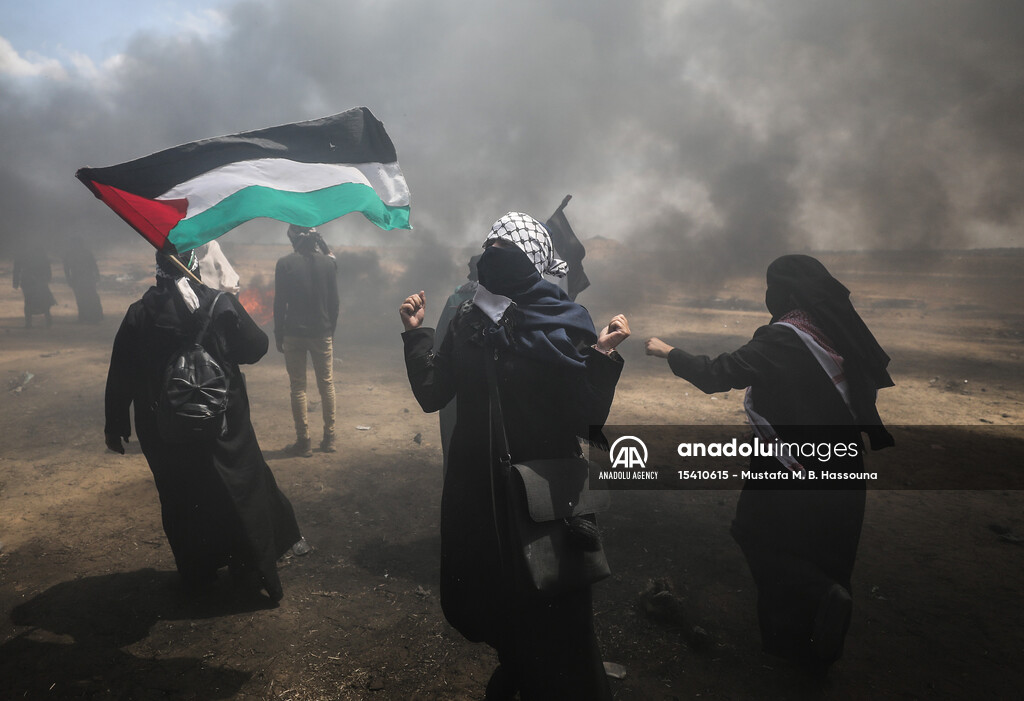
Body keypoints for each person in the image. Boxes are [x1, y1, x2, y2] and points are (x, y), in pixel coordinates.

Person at [400, 212, 630, 700]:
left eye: (502, 250)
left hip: (509, 493)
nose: (494, 256)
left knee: (527, 604)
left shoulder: (505, 320)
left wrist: (601, 355)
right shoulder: (518, 320)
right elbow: (585, 417)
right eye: (494, 246)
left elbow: (585, 419)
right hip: (513, 493)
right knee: (529, 606)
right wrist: (416, 334)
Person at [645, 253, 894, 671]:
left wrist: (668, 351)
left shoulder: (786, 337)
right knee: (830, 552)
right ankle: (818, 654)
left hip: (791, 464)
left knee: (756, 533)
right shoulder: (835, 329)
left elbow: (719, 373)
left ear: (786, 293)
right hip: (845, 461)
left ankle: (815, 598)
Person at [104, 250, 302, 601]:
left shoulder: (139, 313)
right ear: (195, 266)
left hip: (164, 429)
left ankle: (198, 572)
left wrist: (115, 425)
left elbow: (122, 372)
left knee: (182, 497)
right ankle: (251, 566)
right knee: (239, 490)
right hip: (224, 424)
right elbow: (256, 348)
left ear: (158, 270)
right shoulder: (220, 305)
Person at [273, 225, 340, 457]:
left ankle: (304, 441)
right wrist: (330, 330)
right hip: (322, 332)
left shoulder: (284, 264)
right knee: (327, 384)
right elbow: (334, 303)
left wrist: (278, 333)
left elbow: (279, 303)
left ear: (293, 239)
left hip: (293, 333)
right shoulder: (328, 264)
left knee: (298, 387)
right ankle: (329, 438)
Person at [434, 253, 481, 477]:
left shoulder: (456, 299)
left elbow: (439, 342)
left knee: (452, 441)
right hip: (483, 389)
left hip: (454, 386)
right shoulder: (502, 300)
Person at [13, 241, 57, 328]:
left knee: (30, 301)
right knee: (42, 300)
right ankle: (46, 320)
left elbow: (16, 269)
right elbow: (47, 266)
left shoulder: (23, 254)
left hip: (30, 281)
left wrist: (15, 282)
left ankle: (29, 322)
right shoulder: (39, 253)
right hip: (35, 281)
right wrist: (48, 277)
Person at [62, 236, 104, 324]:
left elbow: (66, 269)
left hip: (81, 279)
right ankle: (91, 317)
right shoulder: (85, 253)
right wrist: (97, 276)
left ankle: (86, 317)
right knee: (88, 297)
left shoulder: (71, 254)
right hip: (83, 279)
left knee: (83, 298)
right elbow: (94, 266)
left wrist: (69, 279)